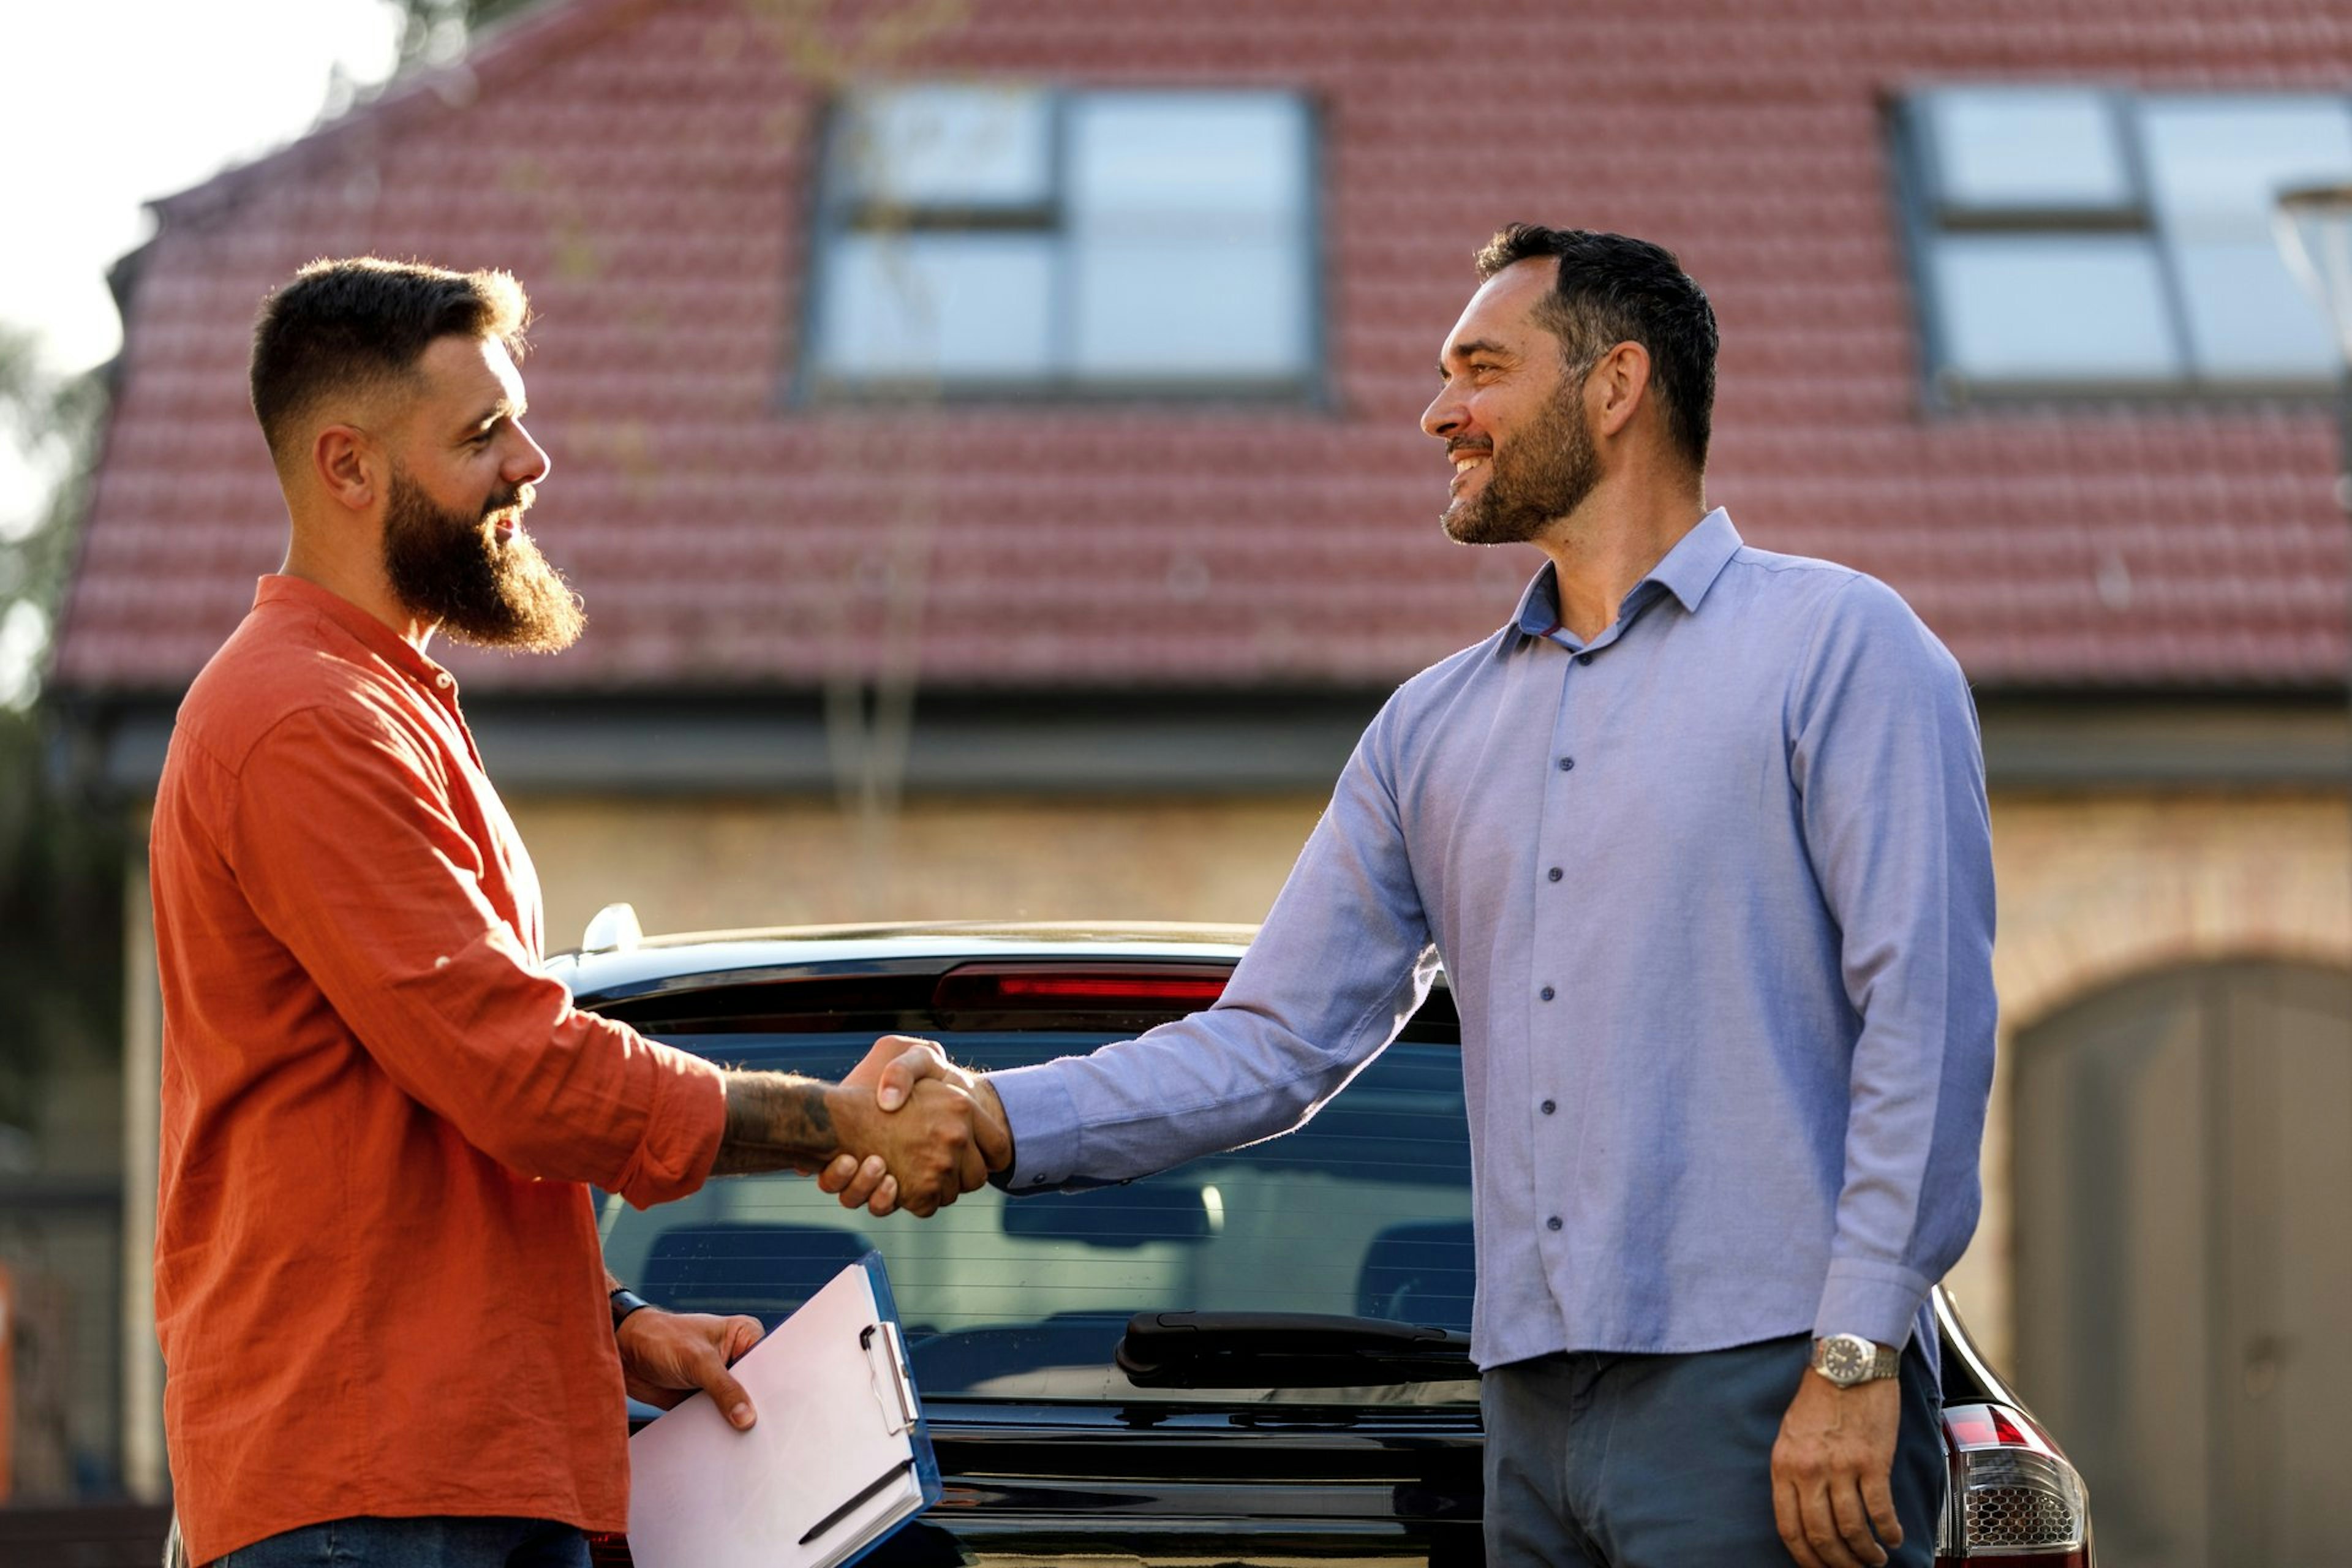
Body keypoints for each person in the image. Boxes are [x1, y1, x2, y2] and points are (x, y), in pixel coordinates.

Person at [846, 225, 1996, 1568]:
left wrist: (1857, 1355)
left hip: (1769, 1389)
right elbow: (1272, 1041)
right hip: (1529, 1415)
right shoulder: (1426, 730)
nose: (1438, 411)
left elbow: (1929, 1019)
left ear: (1616, 386)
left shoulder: (1844, 650)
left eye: (1481, 369)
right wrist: (993, 1112)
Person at [148, 257, 1007, 1568]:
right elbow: (514, 1069)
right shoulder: (301, 720)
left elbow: (421, 1121)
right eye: (483, 434)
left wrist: (606, 1321)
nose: (532, 462)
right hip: (371, 1491)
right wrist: (828, 1120)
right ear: (346, 468)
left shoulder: (377, 703)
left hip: (466, 1469)